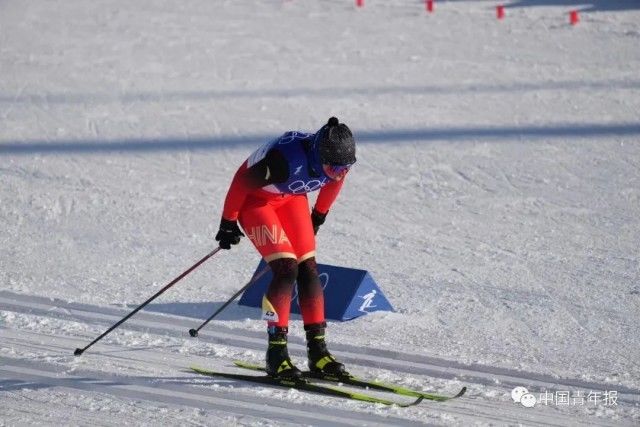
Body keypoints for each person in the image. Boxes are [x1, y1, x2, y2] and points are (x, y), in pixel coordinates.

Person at [214, 117, 356, 379]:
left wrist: (319, 215)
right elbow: (241, 182)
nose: (338, 173)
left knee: (308, 269)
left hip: (290, 199)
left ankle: (318, 352)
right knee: (286, 268)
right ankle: (276, 353)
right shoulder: (284, 161)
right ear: (317, 155)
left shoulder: (334, 163)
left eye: (344, 168)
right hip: (256, 202)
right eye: (333, 168)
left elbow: (334, 182)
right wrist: (228, 222)